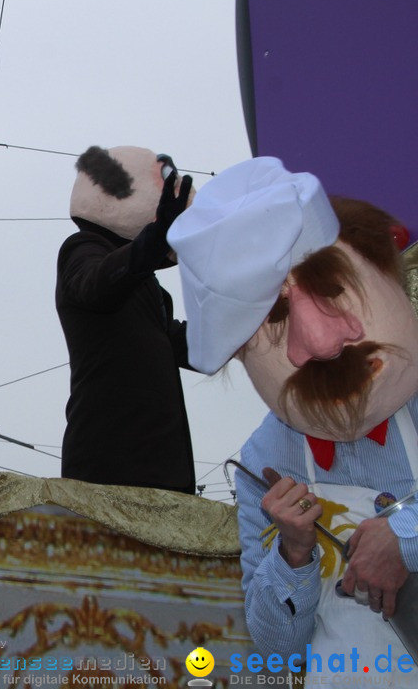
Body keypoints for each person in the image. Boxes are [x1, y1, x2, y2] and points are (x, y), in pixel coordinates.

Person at [168, 157, 418, 675]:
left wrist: (405, 537)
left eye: (332, 292)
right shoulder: (268, 456)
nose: (322, 343)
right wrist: (294, 554)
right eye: (276, 319)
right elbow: (275, 646)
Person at [55, 145, 196, 494]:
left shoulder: (148, 284)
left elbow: (185, 346)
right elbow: (97, 283)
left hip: (159, 467)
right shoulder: (83, 248)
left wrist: (242, 319)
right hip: (112, 465)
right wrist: (158, 234)